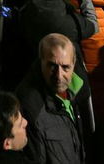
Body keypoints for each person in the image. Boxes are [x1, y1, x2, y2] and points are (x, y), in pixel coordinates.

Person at [15, 34, 90, 164]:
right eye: (52, 66)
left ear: (74, 63)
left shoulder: (78, 90)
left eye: (65, 67)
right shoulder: (30, 106)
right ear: (41, 62)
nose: (59, 76)